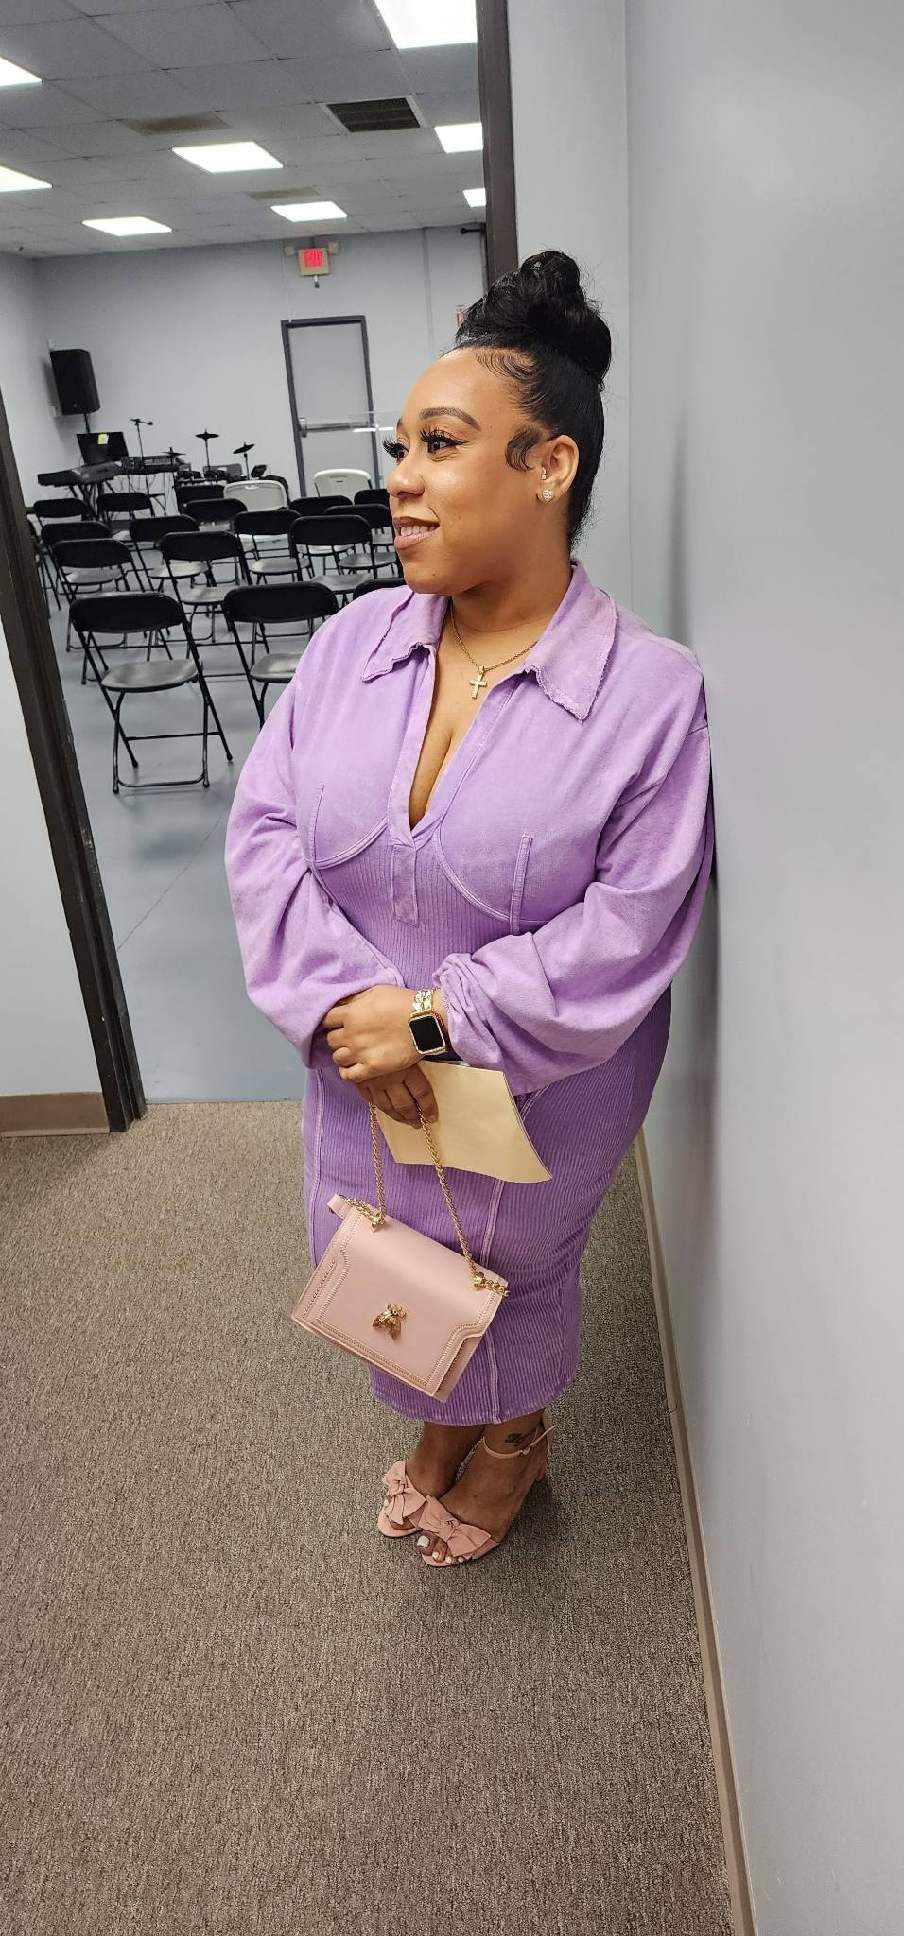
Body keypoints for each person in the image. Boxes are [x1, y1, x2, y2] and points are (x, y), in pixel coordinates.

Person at [224, 250, 715, 1569]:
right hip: (357, 1061)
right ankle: (445, 1414)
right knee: (392, 1246)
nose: (401, 476)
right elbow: (263, 831)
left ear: (549, 466)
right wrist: (352, 1005)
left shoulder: (649, 694)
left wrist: (434, 1022)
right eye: (401, 447)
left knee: (512, 1265)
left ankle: (513, 1438)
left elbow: (631, 929)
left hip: (533, 1083)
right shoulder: (352, 644)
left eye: (440, 445)